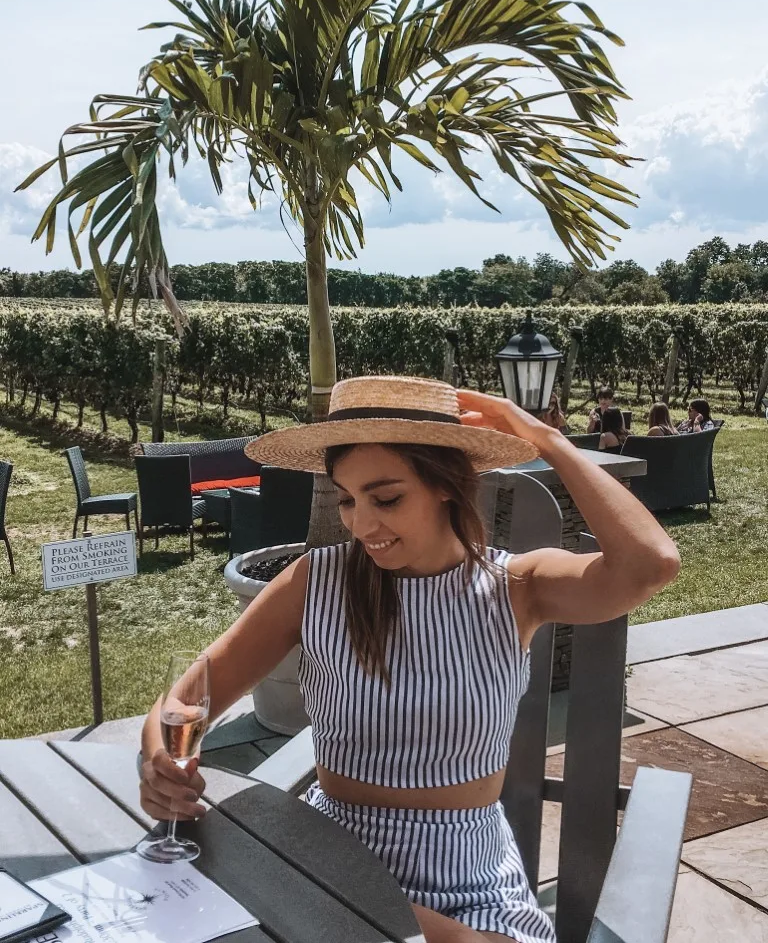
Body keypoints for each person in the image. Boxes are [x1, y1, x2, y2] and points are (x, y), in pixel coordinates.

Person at [138, 375, 680, 943]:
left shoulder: (516, 586)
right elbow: (186, 698)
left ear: (445, 483)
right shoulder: (315, 583)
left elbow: (650, 564)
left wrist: (549, 440)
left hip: (466, 880)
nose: (361, 524)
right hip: (331, 856)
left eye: (387, 498)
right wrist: (157, 763)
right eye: (348, 499)